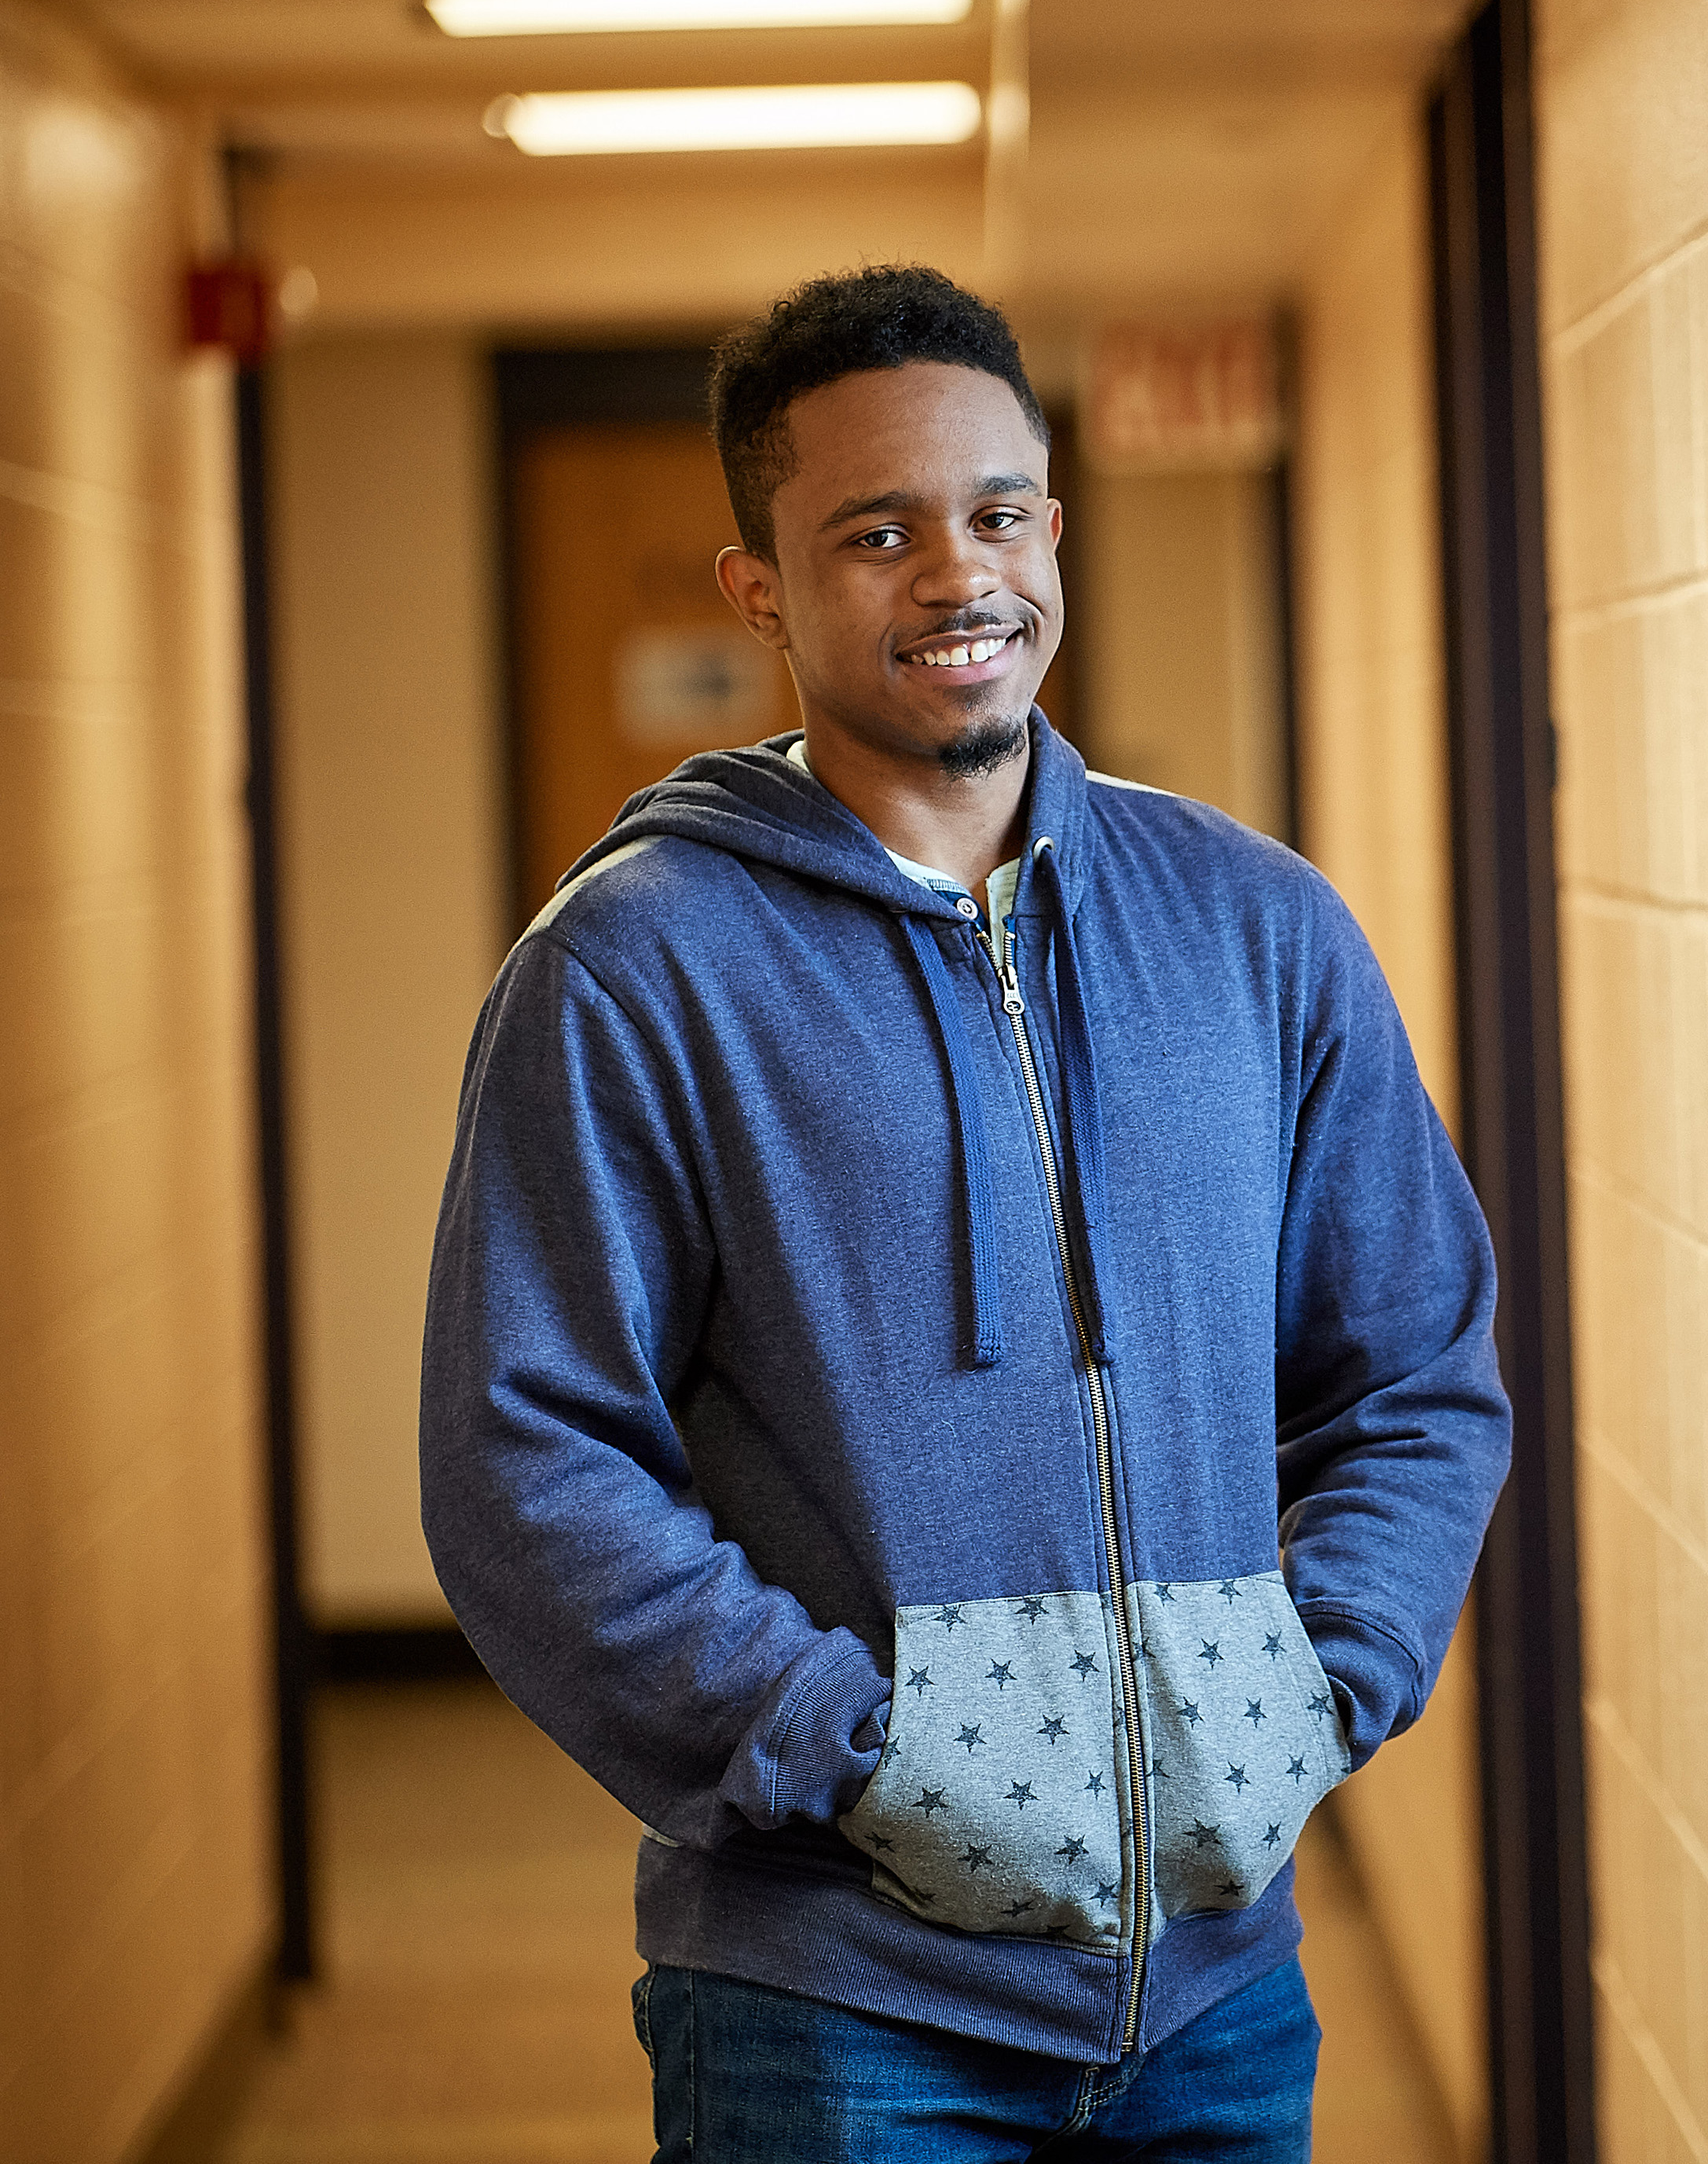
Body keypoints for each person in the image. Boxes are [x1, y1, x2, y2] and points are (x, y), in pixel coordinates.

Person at [420, 263, 1510, 2161]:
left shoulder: (1253, 929)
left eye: (998, 512)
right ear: (758, 583)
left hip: (1220, 2001)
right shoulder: (636, 971)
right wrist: (852, 1749)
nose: (957, 574)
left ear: (1055, 529)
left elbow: (1417, 1366)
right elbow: (529, 1458)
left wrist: (1322, 1681)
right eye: (877, 530)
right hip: (841, 2011)